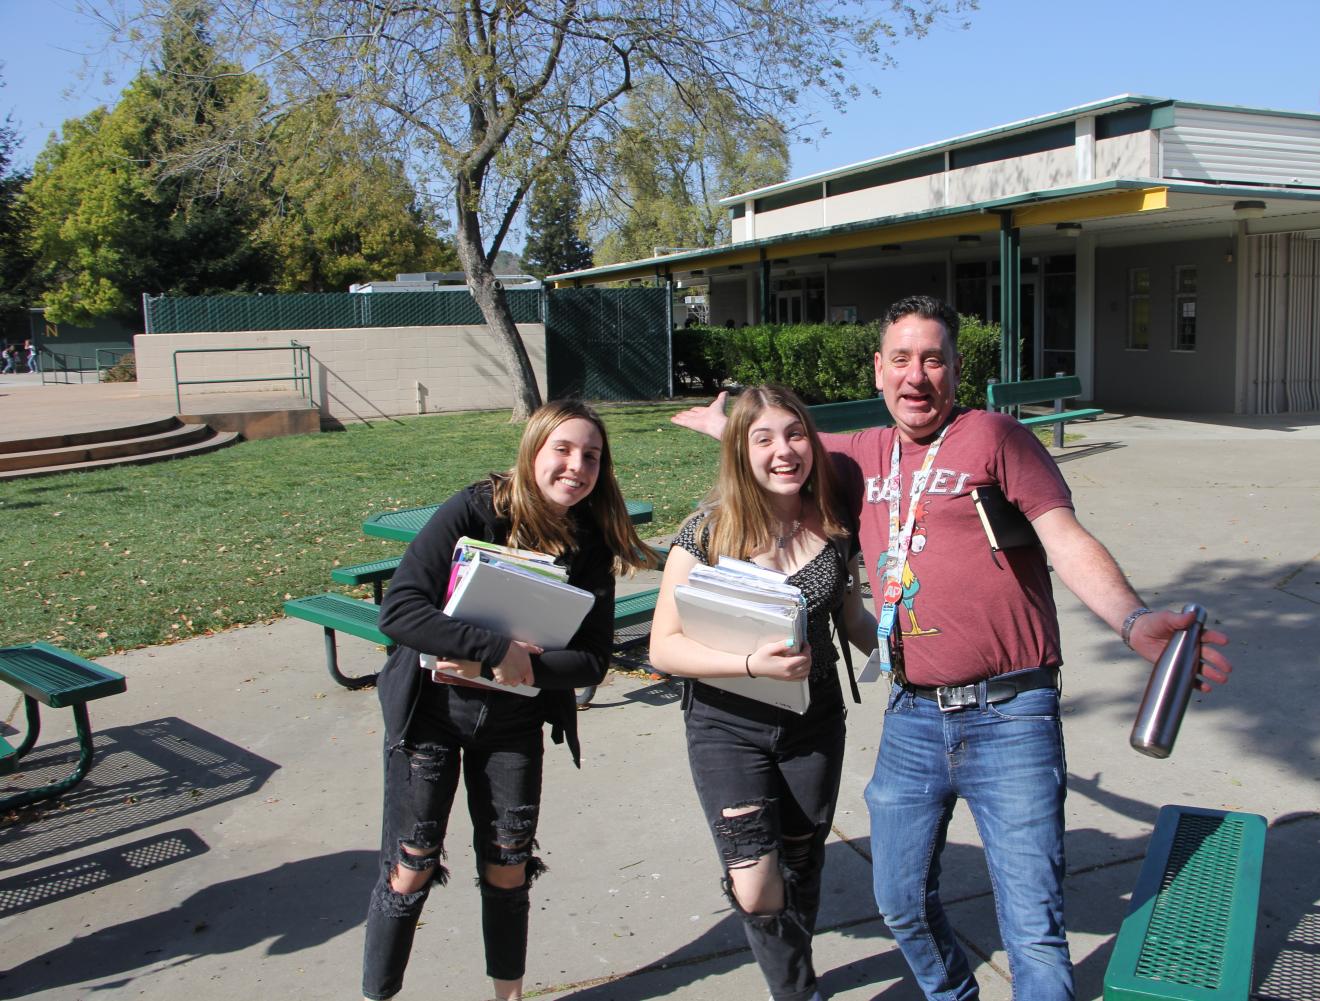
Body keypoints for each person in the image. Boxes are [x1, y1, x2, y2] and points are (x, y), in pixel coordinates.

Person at [673, 296, 1232, 1001]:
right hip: (911, 715)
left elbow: (1062, 536)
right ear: (877, 371)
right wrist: (725, 425)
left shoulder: (994, 436)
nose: (916, 376)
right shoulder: (856, 457)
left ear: (956, 369)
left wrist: (1131, 620)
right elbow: (777, 446)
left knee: (1031, 924)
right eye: (901, 359)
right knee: (900, 900)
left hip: (1010, 712)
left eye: (932, 359)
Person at [362, 399, 657, 1001]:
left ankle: (509, 996)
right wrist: (492, 647)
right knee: (412, 863)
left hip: (513, 722)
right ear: (533, 451)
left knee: (508, 863)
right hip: (432, 717)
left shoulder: (590, 541)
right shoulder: (476, 509)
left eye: (592, 456)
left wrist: (515, 664)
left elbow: (593, 657)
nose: (577, 466)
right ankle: (379, 993)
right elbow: (400, 610)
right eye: (564, 450)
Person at [650, 384, 876, 1001]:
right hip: (725, 727)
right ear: (739, 450)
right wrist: (750, 663)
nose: (785, 451)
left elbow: (854, 622)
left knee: (801, 858)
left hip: (814, 725)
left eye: (795, 433)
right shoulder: (706, 535)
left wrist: (913, 648)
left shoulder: (832, 528)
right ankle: (796, 992)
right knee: (754, 882)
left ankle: (793, 977)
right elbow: (663, 647)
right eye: (764, 438)